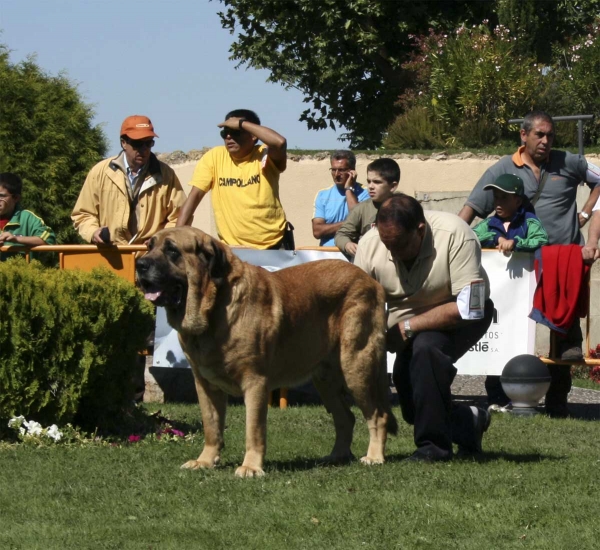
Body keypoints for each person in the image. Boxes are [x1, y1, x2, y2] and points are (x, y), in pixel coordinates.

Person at [458, 110, 600, 417]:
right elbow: (471, 209)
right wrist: (451, 243)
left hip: (561, 262)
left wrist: (588, 218)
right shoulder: (502, 170)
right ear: (523, 135)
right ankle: (497, 396)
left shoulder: (569, 162)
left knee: (563, 333)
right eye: (540, 135)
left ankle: (558, 403)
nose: (546, 141)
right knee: (504, 325)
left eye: (550, 135)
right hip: (513, 268)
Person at [355, 194, 494, 462]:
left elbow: (470, 308)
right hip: (404, 326)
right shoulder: (370, 245)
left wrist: (407, 327)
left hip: (459, 317)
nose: (392, 252)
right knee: (413, 404)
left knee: (426, 349)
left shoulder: (455, 233)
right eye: (387, 244)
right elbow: (359, 305)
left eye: (400, 245)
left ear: (420, 230)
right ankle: (469, 421)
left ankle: (433, 450)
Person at [176, 109, 291, 249]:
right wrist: (176, 235)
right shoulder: (214, 157)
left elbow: (279, 142)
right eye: (225, 133)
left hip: (275, 244)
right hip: (234, 250)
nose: (229, 137)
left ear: (254, 135)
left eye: (235, 132)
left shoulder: (264, 154)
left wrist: (242, 124)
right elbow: (195, 196)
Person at [71, 115, 186, 245]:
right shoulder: (100, 172)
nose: (144, 149)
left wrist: (160, 239)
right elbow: (83, 214)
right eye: (137, 144)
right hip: (112, 256)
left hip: (151, 258)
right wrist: (93, 232)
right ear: (123, 143)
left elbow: (179, 216)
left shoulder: (166, 175)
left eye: (148, 143)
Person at [335, 158, 399, 258]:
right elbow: (341, 235)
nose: (370, 186)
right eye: (369, 181)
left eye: (377, 182)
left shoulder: (405, 207)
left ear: (393, 186)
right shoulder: (361, 209)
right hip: (368, 264)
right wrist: (347, 245)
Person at [472, 173, 548, 253]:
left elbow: (541, 240)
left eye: (504, 197)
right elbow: (469, 237)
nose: (498, 202)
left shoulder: (529, 221)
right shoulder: (489, 223)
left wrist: (515, 242)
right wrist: (496, 238)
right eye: (496, 197)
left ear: (518, 202)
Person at [312, 150, 368, 246]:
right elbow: (317, 231)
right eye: (333, 170)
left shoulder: (365, 193)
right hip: (327, 254)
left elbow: (360, 221)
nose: (336, 174)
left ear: (352, 171)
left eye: (341, 170)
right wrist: (350, 223)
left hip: (354, 253)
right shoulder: (322, 195)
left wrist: (348, 189)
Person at [0, 172, 56, 260]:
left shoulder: (28, 218)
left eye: (1, 196)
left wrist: (16, 239)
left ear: (16, 198)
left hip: (21, 272)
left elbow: (48, 239)